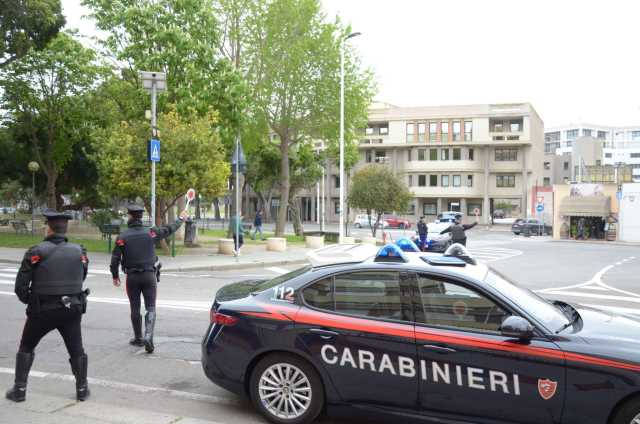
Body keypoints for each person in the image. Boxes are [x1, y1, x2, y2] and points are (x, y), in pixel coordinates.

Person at [6, 210, 90, 402]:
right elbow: (81, 276)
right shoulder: (80, 251)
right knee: (76, 349)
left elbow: (20, 287)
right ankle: (82, 389)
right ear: (65, 228)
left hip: (42, 310)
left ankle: (19, 390)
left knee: (26, 346)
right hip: (72, 309)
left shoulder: (35, 251)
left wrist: (33, 300)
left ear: (48, 228)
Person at [110, 204, 188, 353]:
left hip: (132, 277)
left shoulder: (123, 237)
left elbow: (115, 259)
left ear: (131, 216)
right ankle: (148, 336)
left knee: (135, 307)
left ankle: (138, 338)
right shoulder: (151, 232)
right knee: (150, 307)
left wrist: (115, 276)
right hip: (149, 276)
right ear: (141, 216)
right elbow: (169, 229)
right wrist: (180, 219)